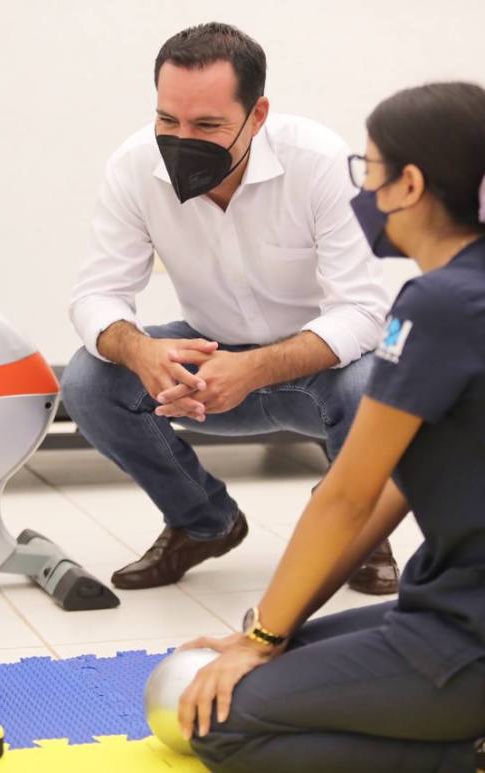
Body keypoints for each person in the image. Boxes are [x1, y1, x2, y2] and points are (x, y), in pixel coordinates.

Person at [177, 81, 485, 773]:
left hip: (467, 637)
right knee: (291, 646)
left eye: (368, 169)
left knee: (223, 723)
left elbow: (347, 495)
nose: (362, 189)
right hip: (451, 604)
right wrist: (270, 632)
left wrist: (259, 640)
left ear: (410, 185)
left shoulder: (438, 305)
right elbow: (389, 497)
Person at [61, 22, 398, 594]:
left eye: (207, 125)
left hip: (321, 374)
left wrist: (253, 368)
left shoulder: (318, 161)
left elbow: (364, 312)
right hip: (210, 365)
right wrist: (140, 351)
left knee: (375, 381)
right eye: (168, 120)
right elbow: (96, 294)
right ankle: (204, 523)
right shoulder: (134, 166)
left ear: (257, 115)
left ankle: (357, 531)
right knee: (90, 381)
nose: (182, 139)